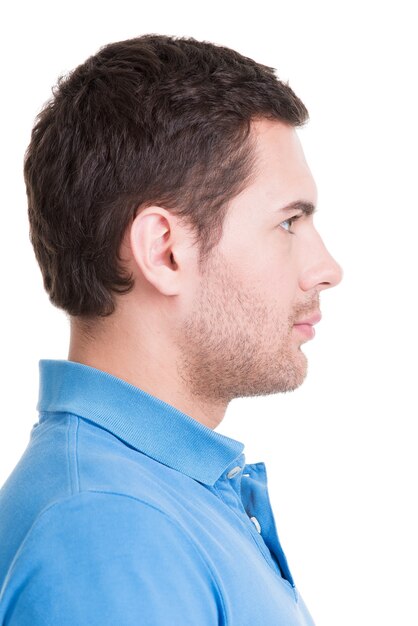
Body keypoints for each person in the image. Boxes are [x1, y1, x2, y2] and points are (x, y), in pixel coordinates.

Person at [0, 34, 342, 625]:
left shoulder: (151, 499)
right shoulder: (109, 534)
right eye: (288, 223)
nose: (327, 269)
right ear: (164, 250)